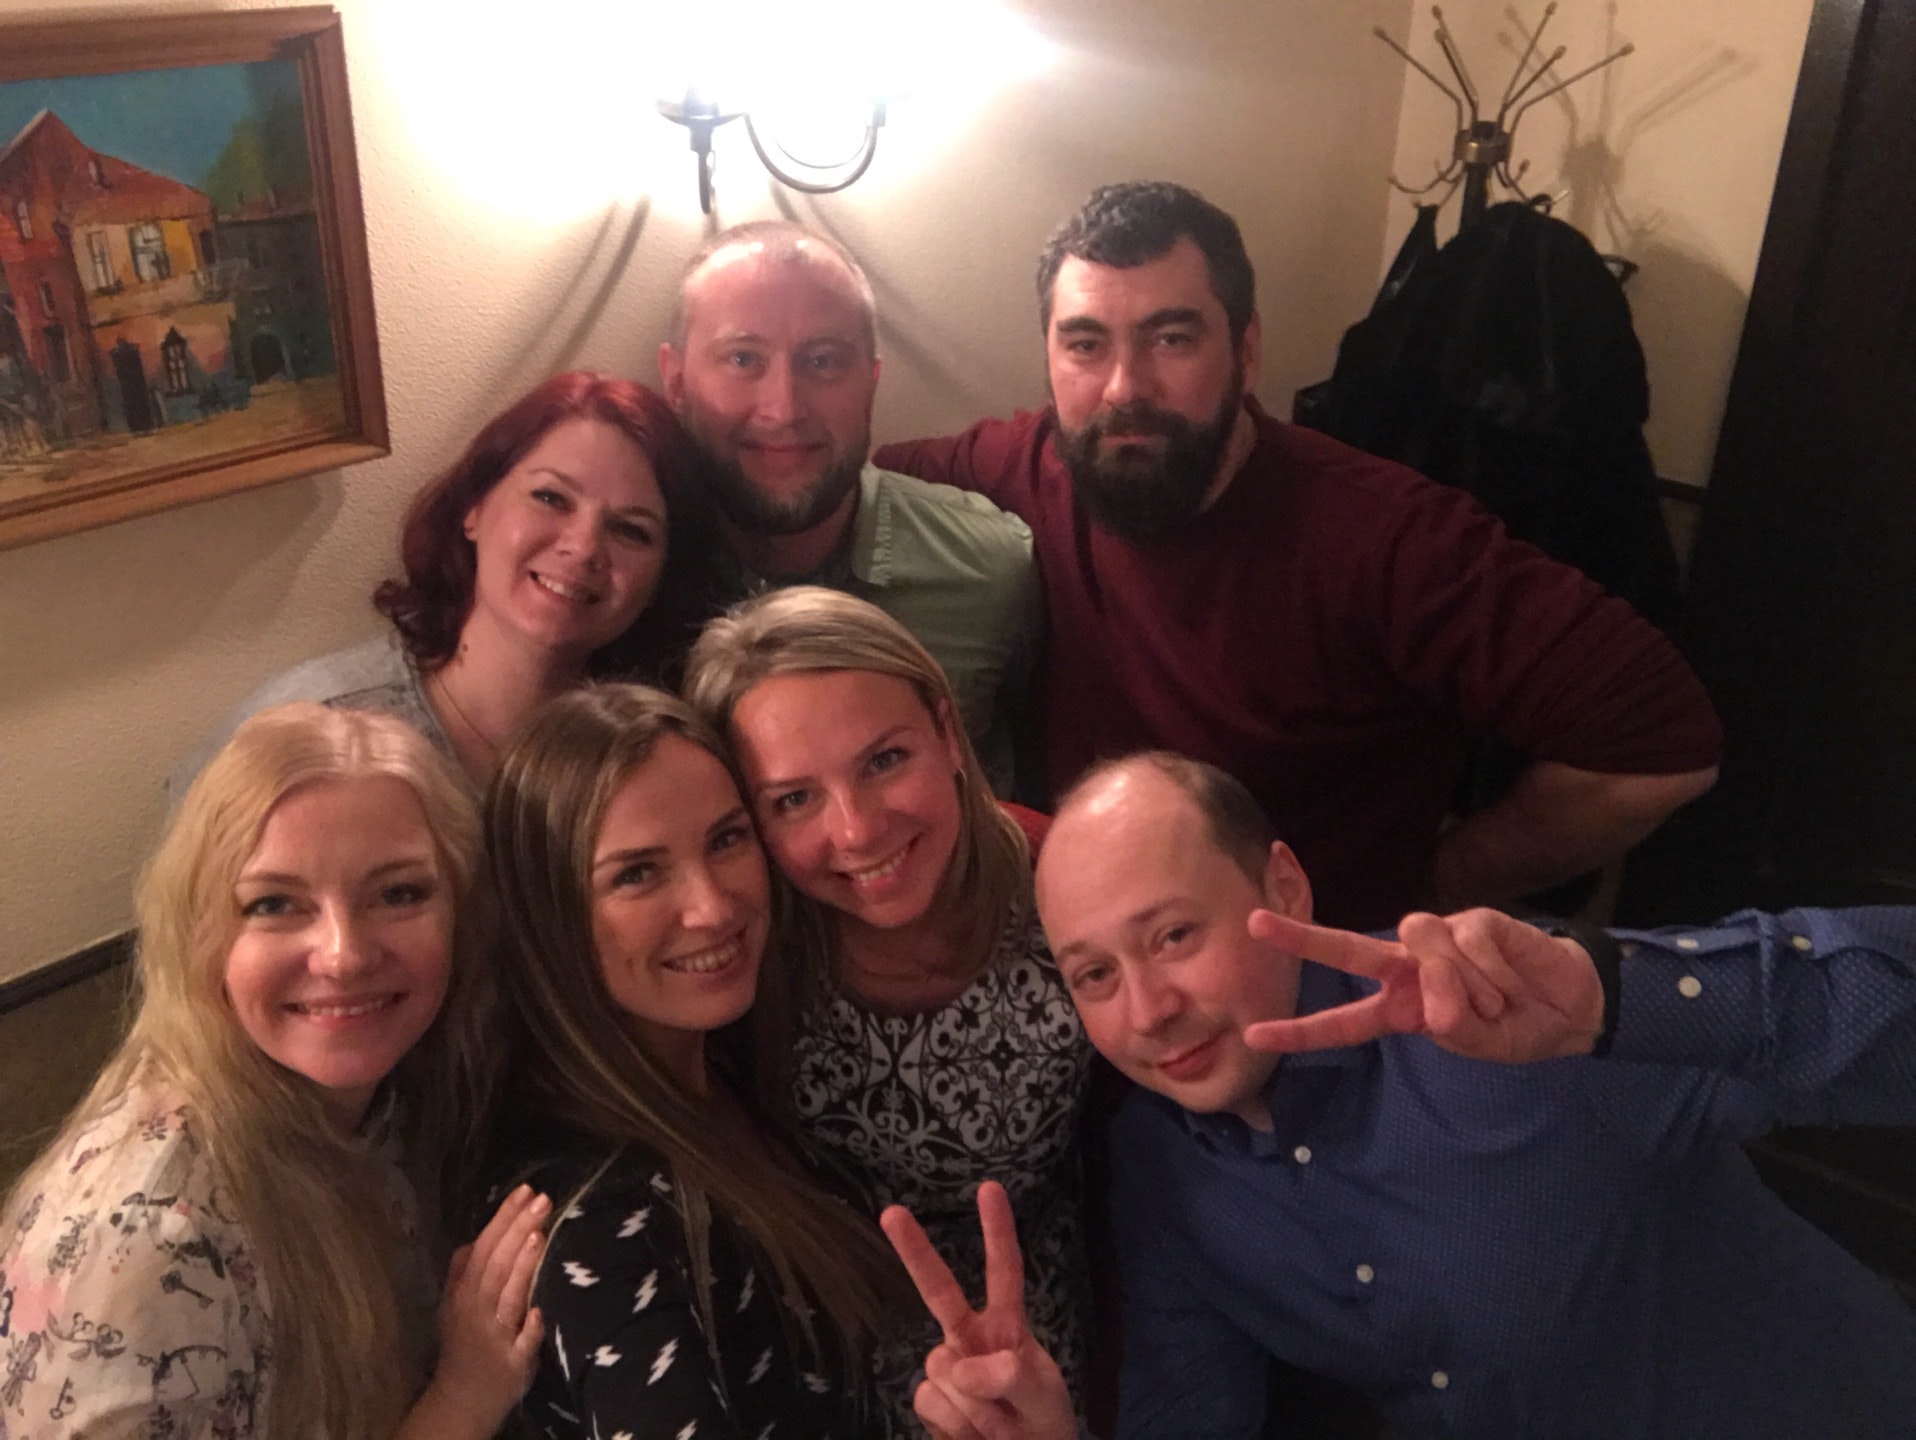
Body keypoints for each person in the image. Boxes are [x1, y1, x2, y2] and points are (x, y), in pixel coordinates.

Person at [884, 750, 1916, 1439]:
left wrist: (1618, 996)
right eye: (1095, 974)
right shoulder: (1163, 1167)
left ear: (1283, 887)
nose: (1147, 1011)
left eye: (1173, 935)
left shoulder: (1503, 1015)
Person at [873, 181, 1724, 930]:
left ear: (1246, 352)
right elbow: (843, 487)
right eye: (1086, 344)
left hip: (1306, 989)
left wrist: (1443, 881)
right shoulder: (1020, 468)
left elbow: (1664, 747)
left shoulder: (1384, 536)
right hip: (1085, 955)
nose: (1125, 387)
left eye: (1172, 339)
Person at [1, 704, 546, 1440]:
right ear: (203, 933)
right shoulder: (146, 1248)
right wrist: (464, 1399)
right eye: (275, 904)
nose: (344, 954)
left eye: (399, 893)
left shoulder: (391, 1100)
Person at [682, 586, 1095, 1434]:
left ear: (947, 731)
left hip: (1039, 1335)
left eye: (884, 761)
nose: (858, 830)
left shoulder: (1069, 880)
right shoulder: (740, 947)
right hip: (815, 1349)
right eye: (793, 799)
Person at [480, 684, 903, 1438]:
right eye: (637, 874)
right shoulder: (595, 1226)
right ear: (550, 913)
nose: (712, 906)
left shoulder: (725, 1066)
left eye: (726, 840)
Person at [171, 370, 707, 794]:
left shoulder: (652, 754)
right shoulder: (312, 728)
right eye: (550, 498)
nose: (584, 547)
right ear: (474, 506)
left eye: (631, 531)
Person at [659, 220, 1039, 794]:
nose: (784, 408)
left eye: (823, 361)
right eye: (742, 359)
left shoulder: (989, 568)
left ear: (872, 380)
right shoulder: (628, 577)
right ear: (676, 381)